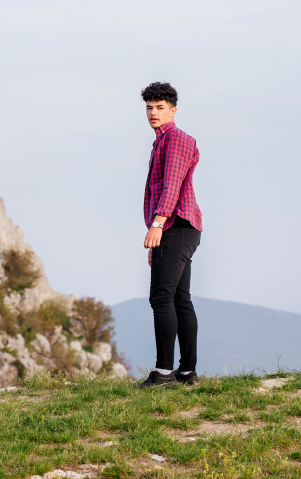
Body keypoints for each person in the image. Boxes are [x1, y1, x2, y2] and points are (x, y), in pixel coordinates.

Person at [137, 81, 203, 388]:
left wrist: (158, 224)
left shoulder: (175, 139)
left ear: (172, 111)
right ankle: (187, 373)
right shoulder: (161, 141)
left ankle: (164, 373)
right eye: (149, 107)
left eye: (160, 107)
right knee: (179, 300)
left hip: (176, 225)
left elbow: (172, 184)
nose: (153, 112)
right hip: (178, 229)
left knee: (161, 298)